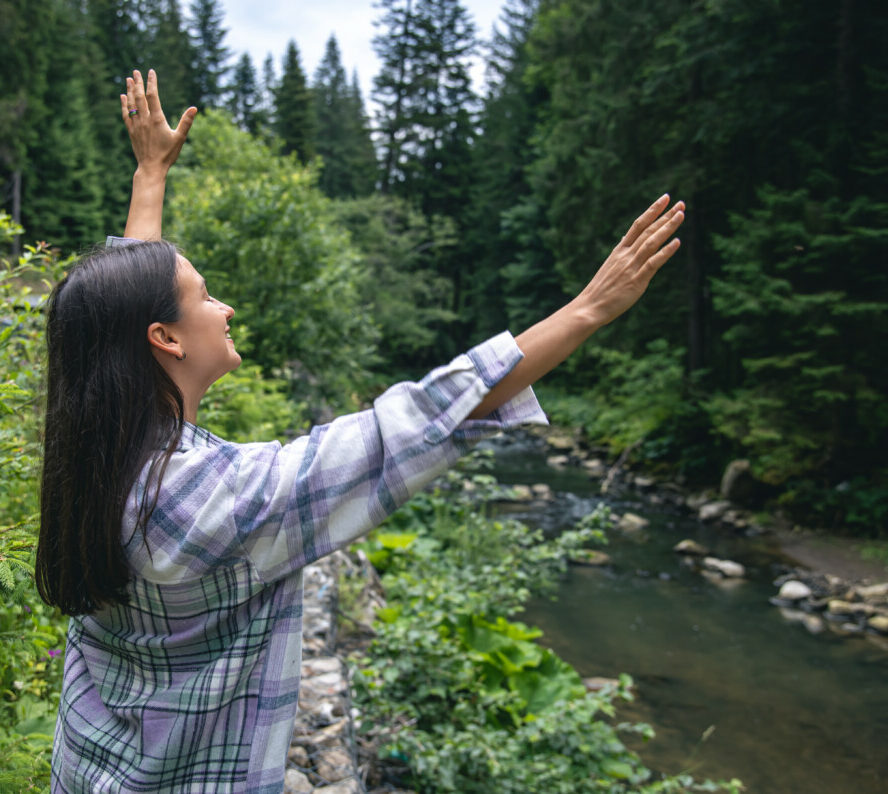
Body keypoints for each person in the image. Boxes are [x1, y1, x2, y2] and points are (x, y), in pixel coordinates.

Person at [36, 70, 684, 794]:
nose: (223, 307)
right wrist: (590, 309)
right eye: (204, 297)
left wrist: (150, 175)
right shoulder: (208, 500)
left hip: (90, 766)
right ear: (166, 340)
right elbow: (410, 427)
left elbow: (118, 323)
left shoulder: (103, 445)